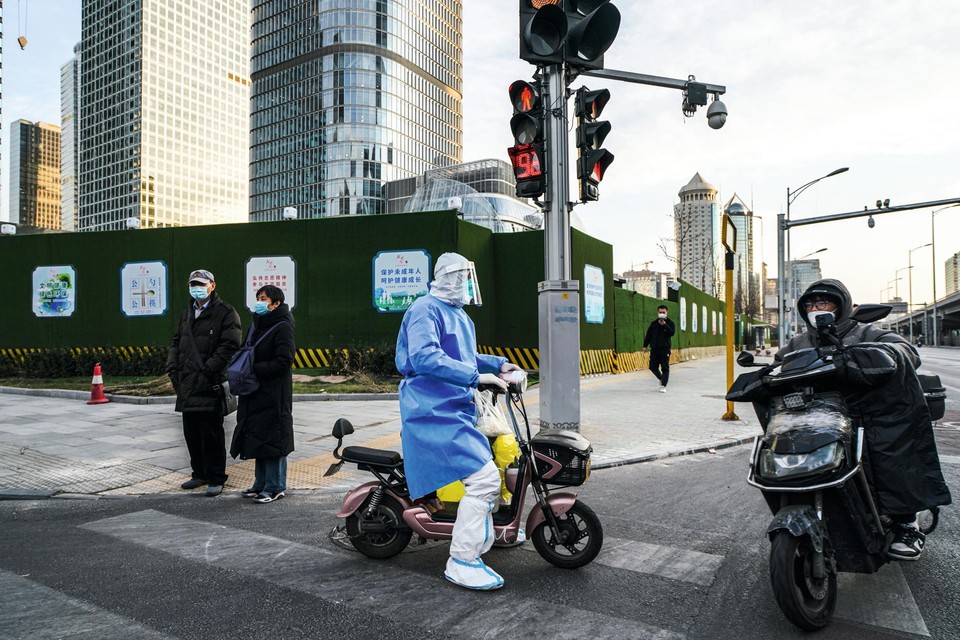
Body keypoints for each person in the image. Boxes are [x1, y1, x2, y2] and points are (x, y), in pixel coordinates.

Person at [776, 279, 952, 560]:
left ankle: (907, 522)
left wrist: (884, 353)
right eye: (809, 304)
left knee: (889, 449)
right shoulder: (799, 340)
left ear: (841, 305)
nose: (815, 308)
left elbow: (906, 352)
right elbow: (780, 363)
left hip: (868, 414)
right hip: (819, 417)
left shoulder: (868, 332)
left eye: (823, 302)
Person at [395, 252, 522, 590]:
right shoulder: (424, 309)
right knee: (483, 480)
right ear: (449, 276)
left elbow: (465, 357)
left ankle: (479, 541)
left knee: (487, 474)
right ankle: (462, 560)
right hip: (432, 410)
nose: (467, 284)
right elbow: (425, 357)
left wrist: (500, 365)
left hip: (452, 407)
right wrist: (476, 377)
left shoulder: (458, 315)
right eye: (464, 277)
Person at [166, 269, 241, 497]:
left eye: (201, 283)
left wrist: (208, 370)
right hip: (187, 384)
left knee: (211, 434)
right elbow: (177, 341)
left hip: (210, 383)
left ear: (212, 286)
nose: (196, 287)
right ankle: (199, 473)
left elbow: (229, 346)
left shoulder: (226, 313)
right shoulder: (187, 312)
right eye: (193, 284)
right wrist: (172, 368)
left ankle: (216, 477)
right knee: (191, 432)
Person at [230, 285, 296, 503]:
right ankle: (260, 484)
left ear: (276, 303)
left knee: (274, 439)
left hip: (273, 392)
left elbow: (284, 361)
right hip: (255, 390)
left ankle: (275, 486)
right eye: (258, 297)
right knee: (259, 438)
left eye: (264, 298)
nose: (259, 301)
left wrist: (255, 369)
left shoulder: (282, 326)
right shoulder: (257, 324)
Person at [643, 304, 675, 393]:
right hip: (654, 349)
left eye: (663, 312)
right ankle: (661, 378)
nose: (662, 314)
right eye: (660, 312)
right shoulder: (653, 323)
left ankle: (664, 385)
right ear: (657, 312)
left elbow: (671, 333)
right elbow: (648, 335)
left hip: (665, 349)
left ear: (666, 313)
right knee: (652, 367)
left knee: (665, 368)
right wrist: (645, 345)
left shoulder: (670, 323)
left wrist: (664, 325)